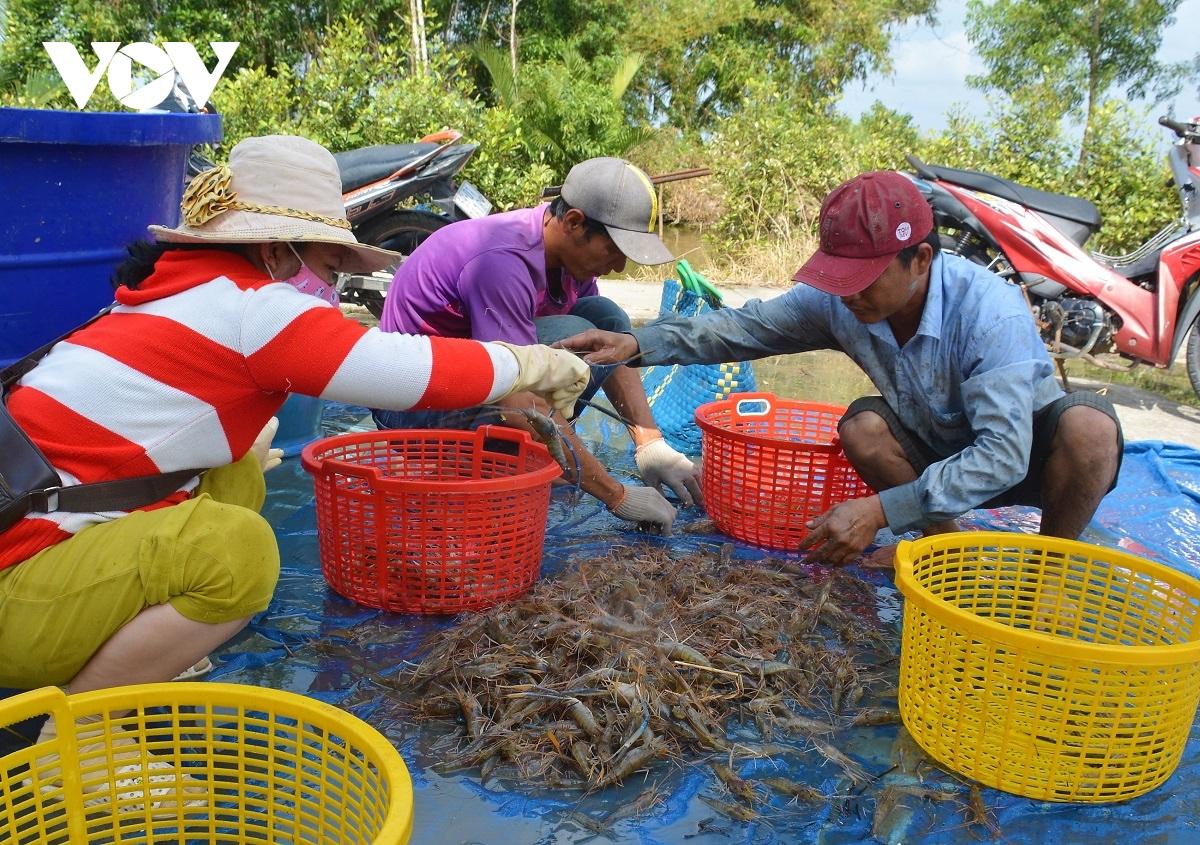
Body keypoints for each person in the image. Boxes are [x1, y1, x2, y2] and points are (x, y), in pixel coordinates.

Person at [0, 136, 588, 709]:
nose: (330, 287)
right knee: (240, 553)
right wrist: (529, 363)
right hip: (17, 590)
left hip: (37, 532)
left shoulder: (173, 289)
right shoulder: (255, 308)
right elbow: (408, 371)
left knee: (237, 474)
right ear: (278, 251)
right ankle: (75, 732)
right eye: (330, 266)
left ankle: (147, 644)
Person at [558, 170, 1123, 564]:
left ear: (920, 260)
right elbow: (741, 328)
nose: (847, 295)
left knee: (1091, 430)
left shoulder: (989, 312)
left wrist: (881, 510)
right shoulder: (839, 301)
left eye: (865, 279)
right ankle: (943, 550)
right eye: (839, 276)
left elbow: (1001, 454)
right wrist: (636, 345)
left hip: (1025, 457)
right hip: (935, 445)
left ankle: (1053, 568)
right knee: (863, 427)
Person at [374, 156, 701, 534]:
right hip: (415, 413)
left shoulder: (566, 259)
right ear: (575, 223)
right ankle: (527, 454)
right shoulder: (501, 262)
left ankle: (600, 450)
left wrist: (650, 445)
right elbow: (516, 401)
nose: (618, 268)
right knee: (576, 329)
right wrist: (616, 495)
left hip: (472, 384)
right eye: (613, 251)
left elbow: (604, 340)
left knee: (606, 320)